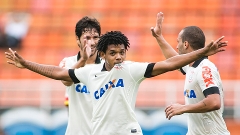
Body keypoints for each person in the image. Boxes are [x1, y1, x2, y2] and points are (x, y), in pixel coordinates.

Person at [5, 28, 226, 134]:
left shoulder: (130, 70)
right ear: (102, 54)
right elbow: (57, 73)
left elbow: (168, 64)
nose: (119, 56)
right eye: (113, 53)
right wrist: (26, 64)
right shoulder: (88, 73)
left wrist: (202, 52)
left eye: (122, 52)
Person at [151, 12, 230, 135]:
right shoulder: (191, 67)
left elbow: (214, 102)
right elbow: (173, 61)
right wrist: (159, 37)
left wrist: (183, 108)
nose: (177, 46)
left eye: (178, 42)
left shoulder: (205, 69)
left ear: (186, 44)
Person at [59, 16, 101, 135]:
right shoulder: (68, 62)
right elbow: (66, 81)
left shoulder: (107, 66)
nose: (92, 42)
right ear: (77, 39)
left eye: (95, 37)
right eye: (87, 38)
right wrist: (83, 60)